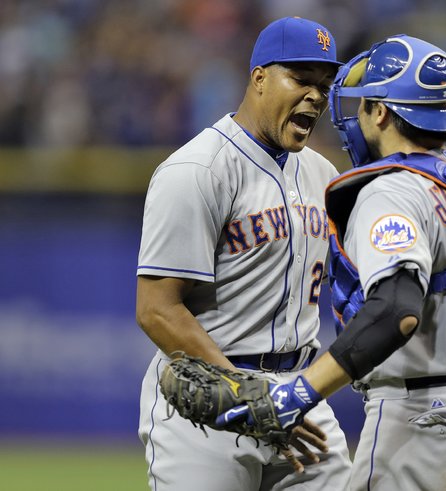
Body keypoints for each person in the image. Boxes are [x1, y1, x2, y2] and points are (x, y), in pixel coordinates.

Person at [220, 34, 446, 490]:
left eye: (363, 105)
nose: (355, 117)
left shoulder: (389, 192)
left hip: (421, 422)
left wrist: (300, 392)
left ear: (380, 112)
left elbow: (396, 311)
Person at [135, 16, 352, 491]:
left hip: (300, 390)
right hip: (209, 403)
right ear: (258, 78)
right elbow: (156, 309)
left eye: (324, 84)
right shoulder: (197, 169)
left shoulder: (322, 173)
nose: (315, 95)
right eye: (300, 79)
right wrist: (249, 400)